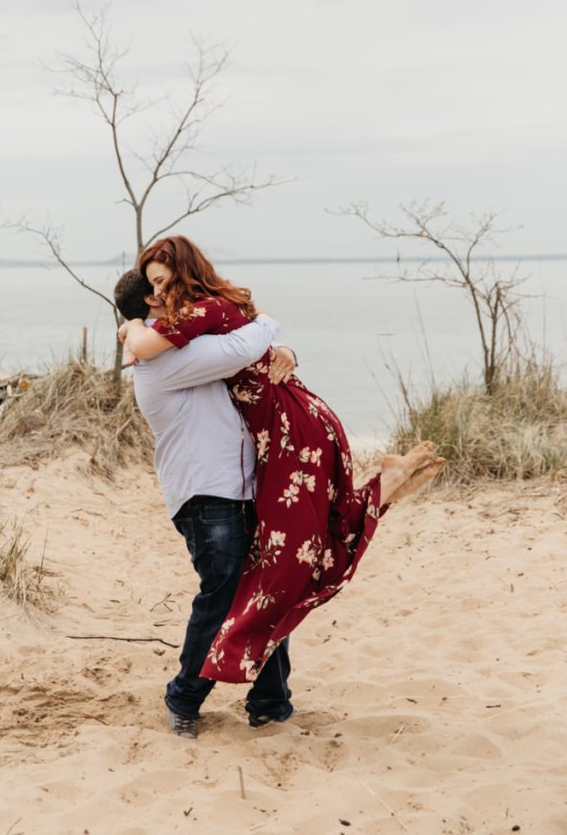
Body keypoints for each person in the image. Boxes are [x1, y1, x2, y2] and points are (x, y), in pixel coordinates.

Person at [121, 236, 444, 687]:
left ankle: (206, 696)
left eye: (163, 280)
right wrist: (273, 337)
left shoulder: (200, 314)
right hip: (292, 422)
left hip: (288, 426)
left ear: (184, 272)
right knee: (291, 548)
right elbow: (240, 341)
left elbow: (208, 345)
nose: (159, 293)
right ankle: (381, 490)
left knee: (287, 556)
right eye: (151, 288)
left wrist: (133, 327)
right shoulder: (204, 324)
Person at [113, 268, 298, 738]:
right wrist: (269, 325)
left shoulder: (173, 347)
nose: (184, 300)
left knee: (267, 587)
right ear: (153, 304)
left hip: (239, 487)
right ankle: (184, 697)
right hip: (204, 494)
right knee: (222, 594)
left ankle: (270, 701)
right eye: (169, 291)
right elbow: (240, 346)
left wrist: (288, 353)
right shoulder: (162, 359)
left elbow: (249, 360)